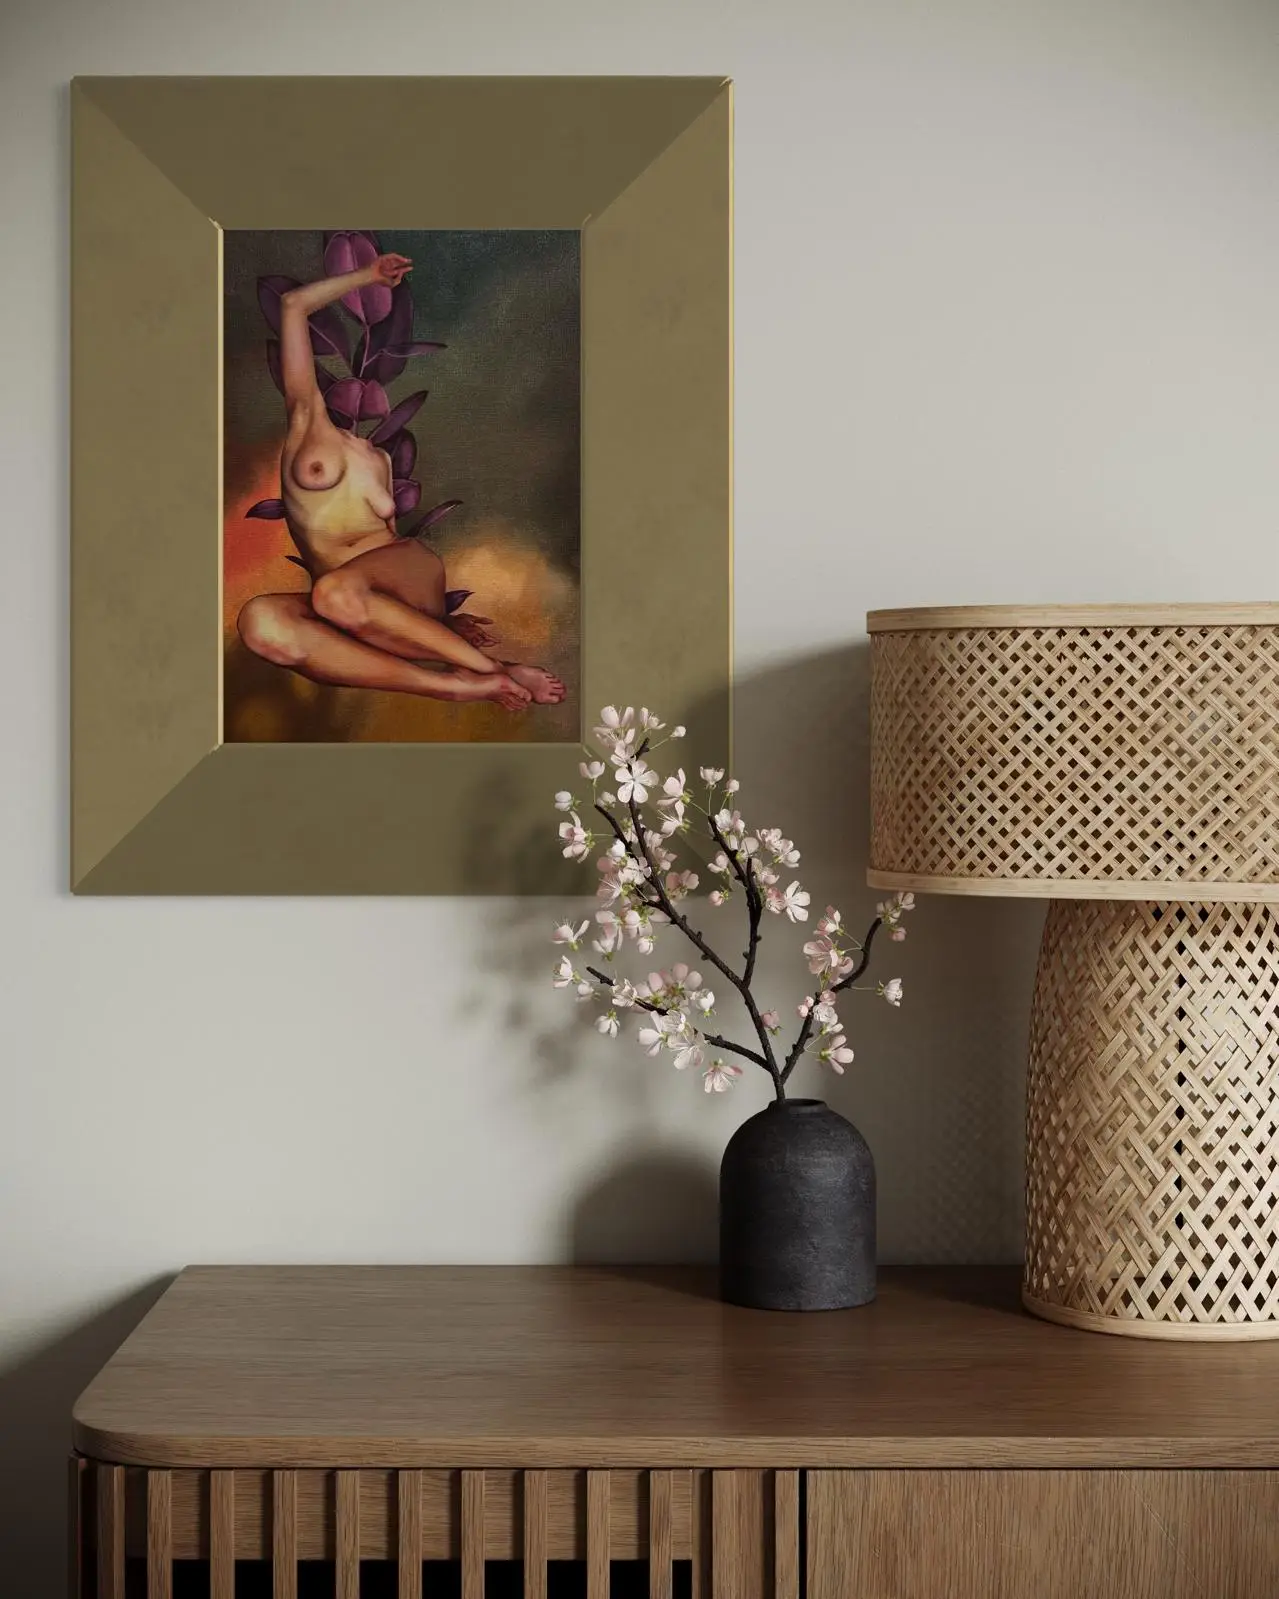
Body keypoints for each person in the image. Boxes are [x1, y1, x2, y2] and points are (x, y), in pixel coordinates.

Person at [237, 251, 565, 713]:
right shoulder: (307, 421)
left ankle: (490, 671)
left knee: (335, 594)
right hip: (354, 608)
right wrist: (365, 275)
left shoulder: (374, 455)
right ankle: (452, 684)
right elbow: (292, 306)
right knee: (260, 622)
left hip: (400, 574)